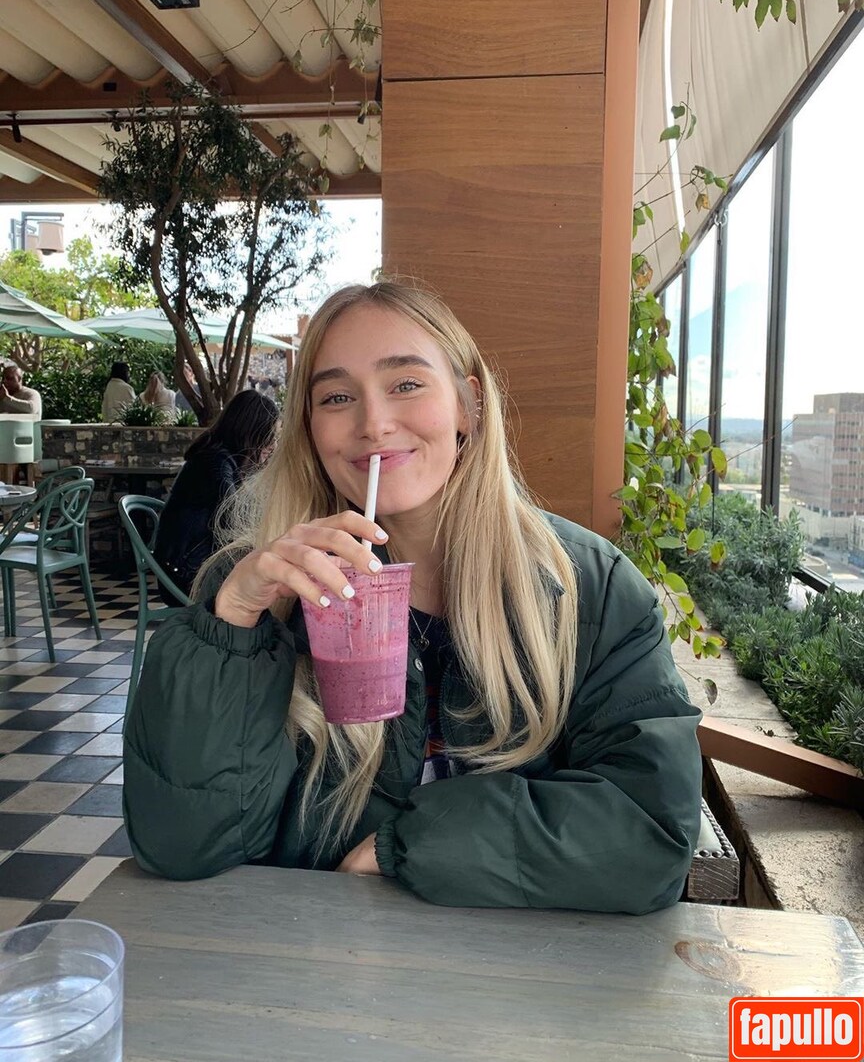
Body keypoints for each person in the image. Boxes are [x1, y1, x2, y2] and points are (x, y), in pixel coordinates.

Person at [125, 282, 703, 913]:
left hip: (523, 966)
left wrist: (405, 846)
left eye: (406, 384)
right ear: (310, 429)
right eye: (337, 397)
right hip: (310, 952)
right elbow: (185, 844)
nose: (373, 424)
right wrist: (232, 625)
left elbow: (649, 831)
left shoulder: (590, 587)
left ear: (468, 405)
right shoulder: (263, 593)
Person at [153, 389, 279, 603]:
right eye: (270, 436)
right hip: (185, 575)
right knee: (273, 583)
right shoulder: (214, 463)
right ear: (252, 433)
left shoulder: (220, 458)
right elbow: (235, 521)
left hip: (187, 566)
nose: (273, 445)